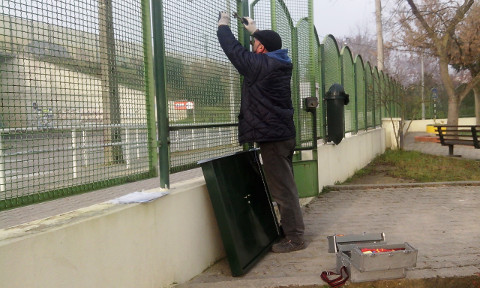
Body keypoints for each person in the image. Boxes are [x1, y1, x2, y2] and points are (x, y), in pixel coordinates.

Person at [217, 12, 305, 253]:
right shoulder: (279, 62)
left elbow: (234, 51)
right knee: (287, 187)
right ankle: (290, 230)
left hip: (274, 139)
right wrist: (254, 30)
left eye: (255, 43)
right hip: (282, 135)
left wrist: (223, 26)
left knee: (283, 190)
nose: (252, 45)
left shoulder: (261, 66)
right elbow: (267, 44)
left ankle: (295, 238)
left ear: (262, 48)